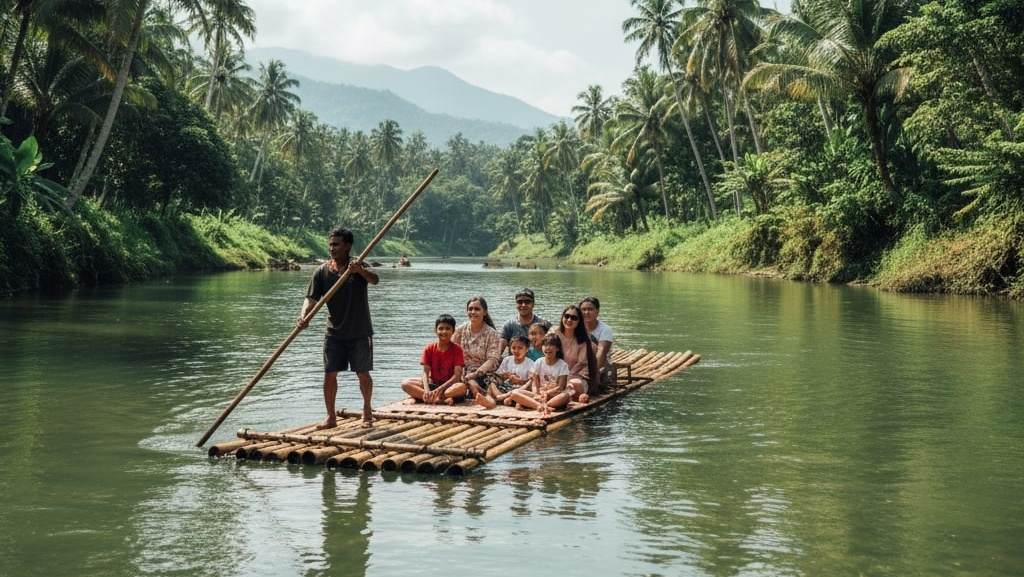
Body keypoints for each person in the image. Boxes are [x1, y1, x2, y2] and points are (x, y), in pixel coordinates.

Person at [297, 227, 379, 428]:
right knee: (329, 373)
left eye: (336, 244)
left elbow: (375, 279)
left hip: (359, 332)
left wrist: (359, 270)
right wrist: (303, 317)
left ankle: (367, 411)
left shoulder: (358, 266)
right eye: (330, 244)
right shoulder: (323, 272)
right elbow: (311, 299)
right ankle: (331, 417)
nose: (332, 248)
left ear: (347, 246)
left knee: (363, 373)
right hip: (334, 332)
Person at [401, 314, 466, 404]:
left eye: (448, 328)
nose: (444, 331)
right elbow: (425, 373)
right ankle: (436, 399)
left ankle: (430, 397)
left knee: (462, 387)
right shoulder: (429, 348)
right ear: (435, 330)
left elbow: (457, 376)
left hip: (449, 387)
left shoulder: (457, 349)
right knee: (405, 384)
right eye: (441, 328)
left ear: (453, 331)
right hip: (433, 385)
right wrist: (427, 390)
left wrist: (440, 389)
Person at [452, 296, 501, 400]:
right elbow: (451, 350)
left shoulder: (492, 333)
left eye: (477, 309)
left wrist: (475, 374)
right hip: (463, 372)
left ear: (485, 312)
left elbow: (492, 359)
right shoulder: (461, 330)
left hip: (484, 374)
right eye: (470, 309)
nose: (473, 312)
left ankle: (480, 394)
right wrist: (458, 371)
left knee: (472, 383)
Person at [509, 334, 571, 414]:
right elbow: (535, 383)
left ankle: (540, 405)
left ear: (557, 348)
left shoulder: (563, 365)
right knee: (514, 393)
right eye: (545, 345)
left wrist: (546, 393)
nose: (547, 348)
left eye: (551, 345)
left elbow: (561, 387)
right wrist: (537, 394)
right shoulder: (539, 362)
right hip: (539, 395)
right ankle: (539, 406)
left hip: (554, 396)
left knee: (565, 396)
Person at [548, 305, 598, 403]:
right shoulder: (554, 332)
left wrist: (564, 379)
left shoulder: (583, 339)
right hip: (554, 375)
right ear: (562, 317)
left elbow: (581, 363)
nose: (569, 320)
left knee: (575, 383)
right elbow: (546, 351)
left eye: (574, 318)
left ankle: (559, 398)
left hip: (575, 376)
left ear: (579, 321)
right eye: (567, 316)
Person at [476, 335, 532, 409]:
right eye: (513, 348)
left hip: (518, 389)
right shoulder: (507, 360)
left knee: (526, 387)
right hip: (505, 387)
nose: (516, 351)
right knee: (491, 380)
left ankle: (501, 399)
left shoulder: (531, 363)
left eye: (520, 348)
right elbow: (498, 375)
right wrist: (505, 375)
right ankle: (492, 401)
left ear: (527, 349)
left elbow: (530, 382)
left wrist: (520, 381)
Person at [499, 288, 551, 355]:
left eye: (527, 302)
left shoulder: (544, 324)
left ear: (533, 304)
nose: (523, 305)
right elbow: (499, 349)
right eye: (520, 302)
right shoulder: (509, 325)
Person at [580, 296, 615, 386]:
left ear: (597, 311)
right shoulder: (577, 327)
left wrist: (593, 373)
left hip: (600, 366)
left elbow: (601, 352)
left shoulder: (605, 329)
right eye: (583, 309)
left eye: (590, 309)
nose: (586, 312)